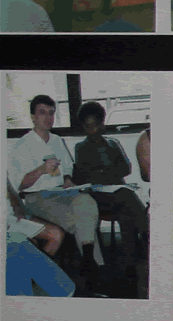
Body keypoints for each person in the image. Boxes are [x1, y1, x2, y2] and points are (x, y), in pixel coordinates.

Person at [12, 92, 102, 271]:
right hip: (37, 198)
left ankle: (89, 263)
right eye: (42, 112)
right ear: (33, 116)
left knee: (86, 201)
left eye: (51, 113)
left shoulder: (57, 141)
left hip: (62, 193)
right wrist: (41, 170)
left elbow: (67, 170)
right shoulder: (22, 145)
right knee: (84, 218)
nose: (48, 117)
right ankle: (94, 267)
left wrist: (68, 180)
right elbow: (19, 185)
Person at [70, 100, 147, 277]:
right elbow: (86, 175)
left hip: (118, 194)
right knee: (127, 196)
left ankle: (129, 264)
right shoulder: (81, 147)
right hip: (97, 196)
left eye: (96, 125)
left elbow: (126, 168)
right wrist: (108, 171)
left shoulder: (113, 143)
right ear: (83, 127)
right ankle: (147, 235)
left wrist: (101, 171)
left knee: (126, 213)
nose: (93, 130)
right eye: (88, 126)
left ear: (102, 124)